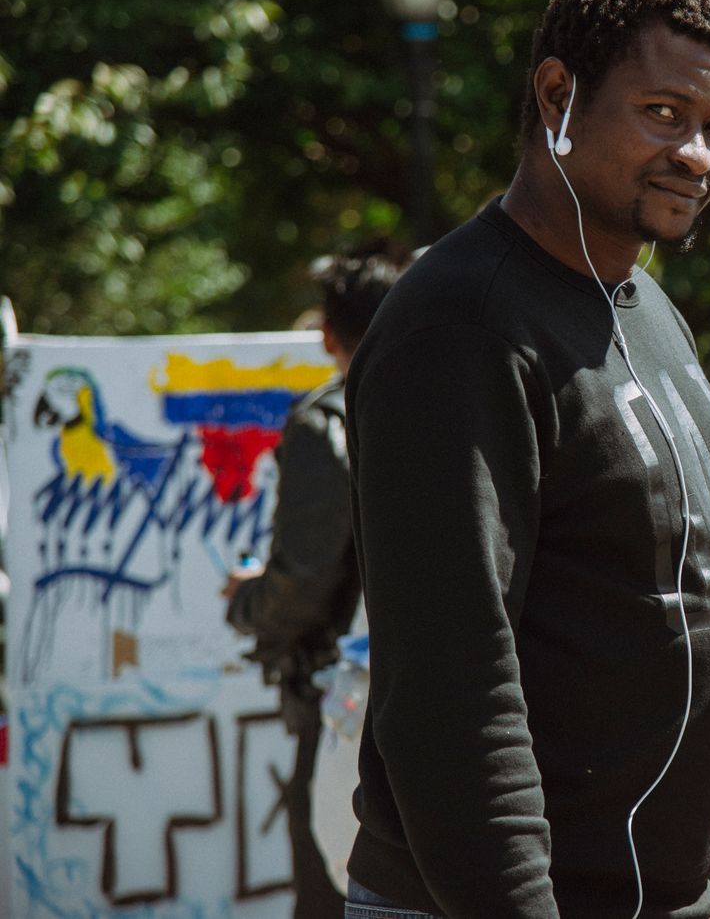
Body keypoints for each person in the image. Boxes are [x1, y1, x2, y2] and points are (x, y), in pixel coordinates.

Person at [342, 0, 710, 919]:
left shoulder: (648, 310)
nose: (698, 155)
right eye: (663, 113)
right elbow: (452, 683)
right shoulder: (460, 329)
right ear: (556, 96)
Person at [224, 249, 402, 919]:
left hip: (343, 700)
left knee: (331, 884)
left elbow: (301, 580)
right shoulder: (443, 406)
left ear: (328, 336)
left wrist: (246, 600)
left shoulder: (328, 422)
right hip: (435, 692)